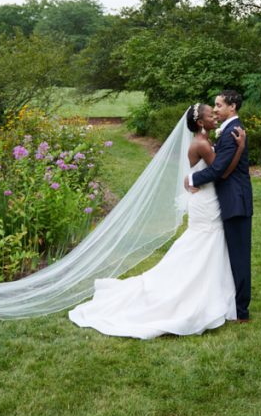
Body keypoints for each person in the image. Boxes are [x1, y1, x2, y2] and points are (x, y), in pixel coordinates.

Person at [67, 103, 246, 339]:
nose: (215, 116)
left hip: (207, 196)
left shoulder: (202, 140)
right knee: (202, 241)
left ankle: (211, 289)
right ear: (201, 123)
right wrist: (240, 147)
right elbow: (222, 173)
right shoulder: (201, 143)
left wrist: (192, 177)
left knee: (206, 243)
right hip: (205, 201)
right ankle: (189, 289)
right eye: (210, 115)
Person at [185, 90, 253, 322]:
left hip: (235, 201)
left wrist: (192, 179)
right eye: (213, 106)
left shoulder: (233, 131)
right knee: (231, 252)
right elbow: (220, 169)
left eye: (219, 105)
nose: (215, 110)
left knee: (239, 255)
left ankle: (241, 310)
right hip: (224, 199)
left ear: (232, 107)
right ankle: (228, 301)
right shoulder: (226, 132)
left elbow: (220, 171)